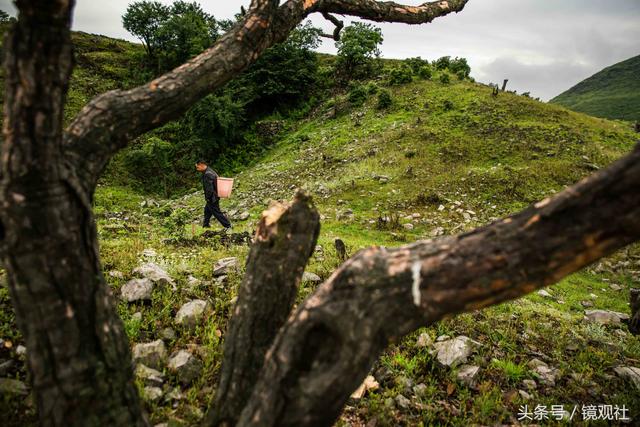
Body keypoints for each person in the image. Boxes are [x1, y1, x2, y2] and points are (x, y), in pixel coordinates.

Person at [195, 160, 232, 230]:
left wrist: (208, 198)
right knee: (207, 211)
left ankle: (228, 226)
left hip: (212, 197)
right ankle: (206, 225)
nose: (197, 169)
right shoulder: (210, 171)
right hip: (214, 196)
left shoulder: (207, 174)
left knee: (216, 212)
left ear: (201, 164)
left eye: (197, 167)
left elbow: (209, 188)